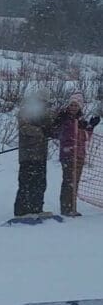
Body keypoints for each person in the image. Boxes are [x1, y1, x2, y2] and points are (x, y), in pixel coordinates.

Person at [53, 93, 100, 217]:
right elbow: (66, 135)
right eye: (72, 105)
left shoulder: (81, 120)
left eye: (76, 105)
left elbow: (85, 138)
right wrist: (77, 127)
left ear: (80, 107)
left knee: (75, 181)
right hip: (68, 153)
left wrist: (90, 127)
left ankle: (72, 206)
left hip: (79, 154)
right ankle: (66, 208)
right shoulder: (64, 118)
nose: (73, 107)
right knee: (69, 181)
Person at [13, 89, 55, 218]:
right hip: (27, 154)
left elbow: (51, 126)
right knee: (26, 183)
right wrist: (41, 131)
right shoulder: (25, 111)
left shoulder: (45, 113)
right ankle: (21, 211)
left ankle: (37, 209)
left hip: (41, 154)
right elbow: (24, 128)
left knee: (40, 183)